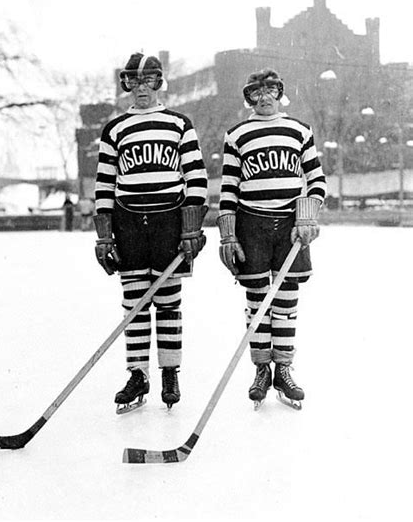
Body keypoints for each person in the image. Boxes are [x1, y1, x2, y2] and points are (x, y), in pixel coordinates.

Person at [93, 52, 208, 413]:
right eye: (133, 82)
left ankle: (170, 371)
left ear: (159, 83)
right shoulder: (114, 129)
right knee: (135, 303)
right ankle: (138, 374)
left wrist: (191, 228)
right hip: (128, 224)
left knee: (168, 302)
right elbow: (104, 186)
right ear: (126, 85)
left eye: (148, 81)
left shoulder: (178, 123)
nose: (141, 89)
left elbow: (197, 178)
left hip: (168, 224)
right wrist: (105, 234)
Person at [217, 68, 326, 410]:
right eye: (256, 93)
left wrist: (307, 214)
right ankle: (261, 369)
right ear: (249, 98)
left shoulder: (298, 130)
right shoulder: (237, 135)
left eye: (270, 91)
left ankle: (284, 368)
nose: (264, 98)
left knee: (286, 299)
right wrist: (229, 234)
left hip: (289, 224)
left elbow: (317, 179)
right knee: (257, 300)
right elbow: (229, 189)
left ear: (280, 93)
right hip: (252, 223)